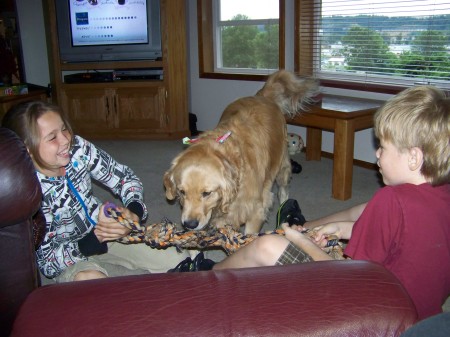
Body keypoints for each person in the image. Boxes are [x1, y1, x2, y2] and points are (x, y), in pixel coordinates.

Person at [172, 86, 450, 321]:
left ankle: (207, 277)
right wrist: (337, 228)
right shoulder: (436, 196)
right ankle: (299, 225)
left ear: (414, 158)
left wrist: (298, 239)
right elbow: (390, 231)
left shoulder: (390, 201)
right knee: (362, 211)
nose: (376, 153)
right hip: (422, 316)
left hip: (374, 315)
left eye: (383, 147)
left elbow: (355, 278)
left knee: (267, 245)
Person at [2, 100, 191, 283]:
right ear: (27, 150)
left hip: (107, 234)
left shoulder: (78, 148)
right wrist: (94, 239)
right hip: (72, 258)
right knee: (92, 282)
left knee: (178, 260)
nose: (66, 140)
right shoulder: (29, 194)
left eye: (64, 129)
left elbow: (124, 177)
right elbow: (48, 262)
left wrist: (133, 212)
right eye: (52, 137)